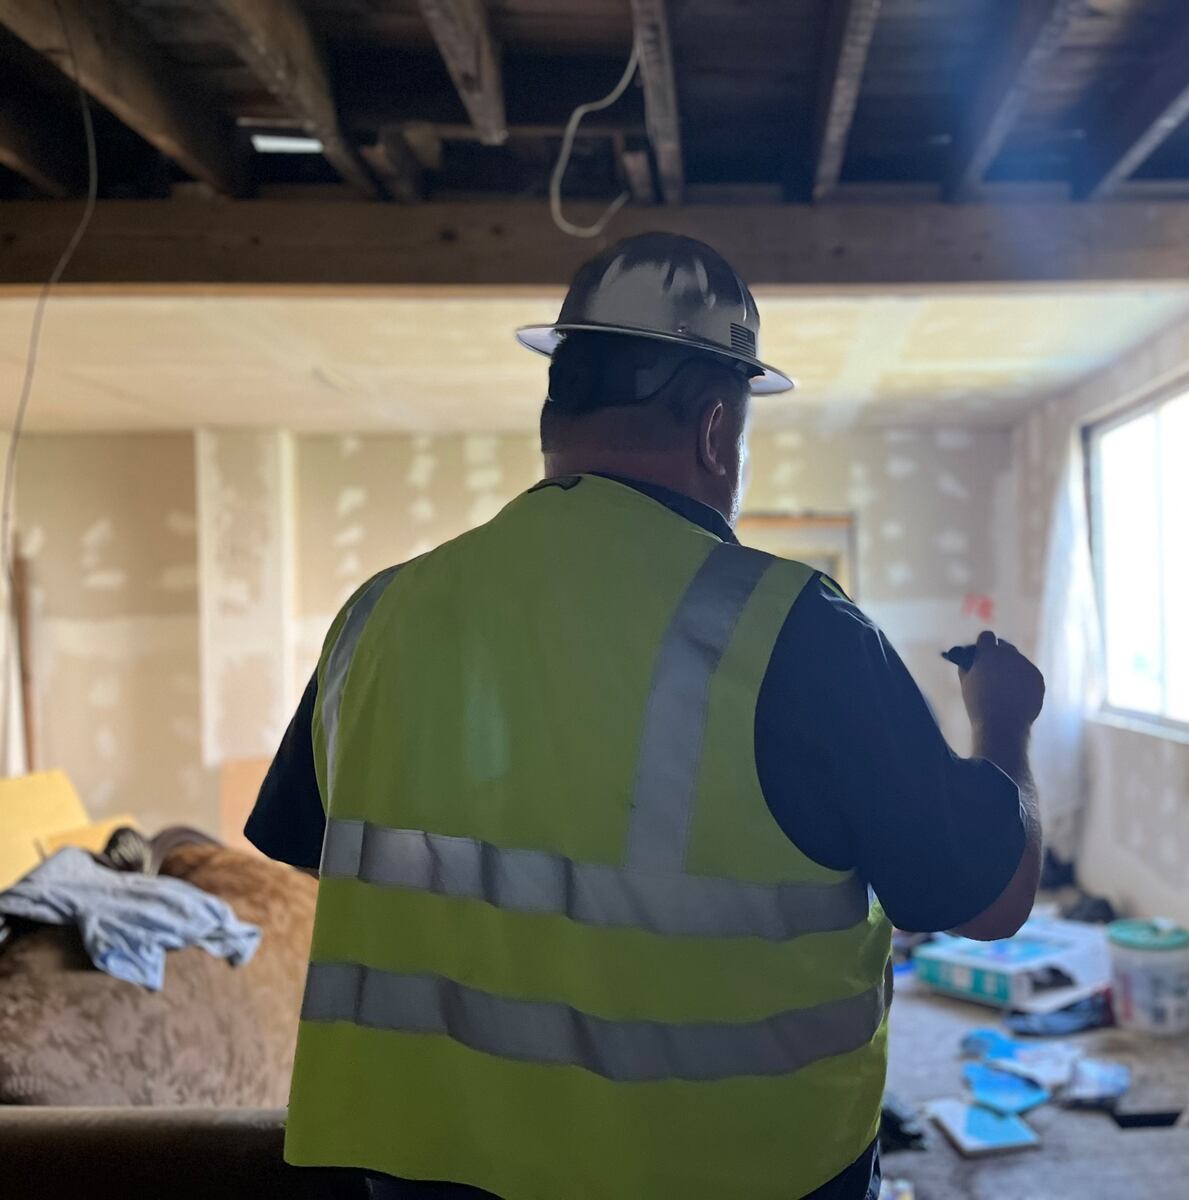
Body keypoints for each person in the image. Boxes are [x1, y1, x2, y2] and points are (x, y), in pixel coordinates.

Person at [247, 233, 1045, 1200]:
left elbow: (314, 846)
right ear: (717, 431)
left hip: (420, 1175)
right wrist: (1004, 725)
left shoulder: (377, 613)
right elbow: (991, 900)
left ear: (556, 411)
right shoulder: (793, 629)